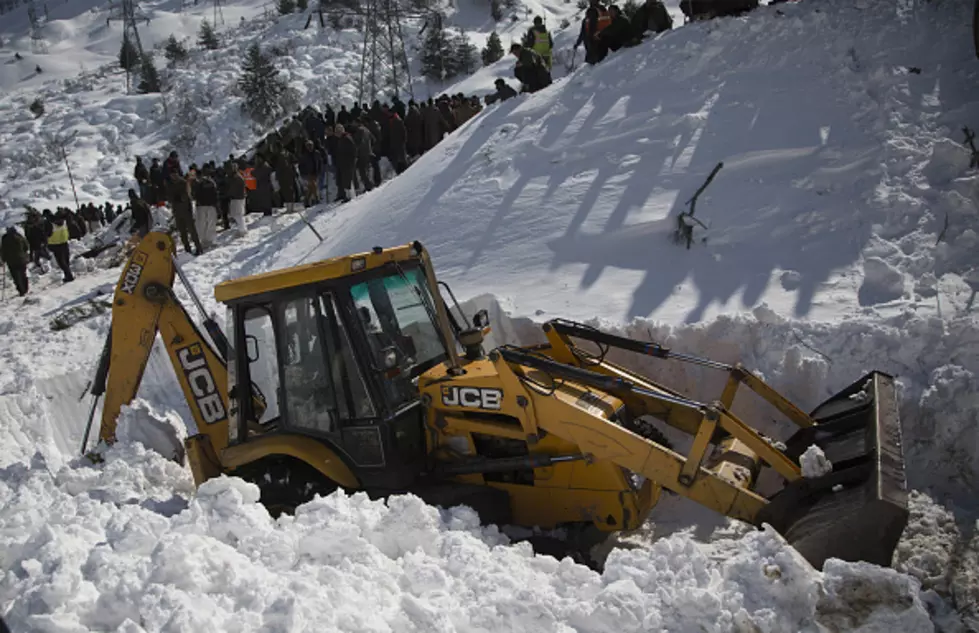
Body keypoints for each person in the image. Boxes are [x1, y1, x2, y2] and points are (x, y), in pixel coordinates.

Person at [166, 172, 203, 256]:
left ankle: (198, 247)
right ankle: (187, 249)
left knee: (192, 230)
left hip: (186, 210)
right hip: (177, 211)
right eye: (172, 175)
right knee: (182, 232)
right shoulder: (170, 184)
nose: (173, 176)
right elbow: (169, 197)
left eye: (174, 174)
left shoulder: (183, 183)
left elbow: (187, 195)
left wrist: (180, 198)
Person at [575, 0, 611, 65]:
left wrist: (580, 42)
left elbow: (589, 29)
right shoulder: (603, 9)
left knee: (593, 65)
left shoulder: (592, 11)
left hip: (595, 43)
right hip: (604, 39)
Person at [193, 168, 220, 249]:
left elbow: (194, 195)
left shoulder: (197, 183)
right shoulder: (211, 181)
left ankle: (206, 241)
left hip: (203, 206)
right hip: (209, 205)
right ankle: (208, 240)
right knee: (209, 223)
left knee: (203, 224)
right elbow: (215, 192)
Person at [46, 210, 74, 282]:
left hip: (55, 244)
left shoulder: (50, 224)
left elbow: (48, 234)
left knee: (61, 262)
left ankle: (69, 276)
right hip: (64, 242)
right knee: (66, 261)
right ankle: (68, 275)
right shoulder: (63, 221)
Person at [1, 226, 30, 296]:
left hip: (11, 261)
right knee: (23, 274)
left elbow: (3, 250)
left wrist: (3, 259)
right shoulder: (19, 237)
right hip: (21, 259)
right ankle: (26, 288)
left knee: (16, 277)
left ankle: (21, 290)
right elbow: (26, 246)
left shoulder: (4, 238)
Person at [334, 124, 356, 203]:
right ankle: (346, 195)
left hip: (347, 163)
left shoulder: (346, 138)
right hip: (343, 163)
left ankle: (350, 196)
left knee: (348, 180)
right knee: (344, 179)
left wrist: (350, 161)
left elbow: (353, 150)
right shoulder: (342, 139)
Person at [298, 140, 323, 206]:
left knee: (311, 187)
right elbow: (300, 166)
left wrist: (320, 170)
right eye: (308, 146)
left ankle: (306, 200)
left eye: (311, 146)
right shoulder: (304, 155)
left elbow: (320, 162)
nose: (310, 147)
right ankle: (316, 199)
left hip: (315, 172)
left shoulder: (316, 153)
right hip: (308, 173)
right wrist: (304, 173)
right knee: (313, 185)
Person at [352, 122, 375, 192]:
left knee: (362, 171)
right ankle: (370, 183)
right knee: (367, 169)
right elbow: (374, 139)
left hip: (361, 153)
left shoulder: (359, 131)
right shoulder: (367, 130)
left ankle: (368, 185)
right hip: (368, 152)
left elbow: (357, 143)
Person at [228, 163, 248, 238]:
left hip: (238, 197)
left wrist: (229, 193)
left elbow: (234, 188)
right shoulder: (235, 176)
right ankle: (241, 229)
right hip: (237, 197)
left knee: (238, 214)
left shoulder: (237, 177)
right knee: (236, 214)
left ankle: (242, 230)